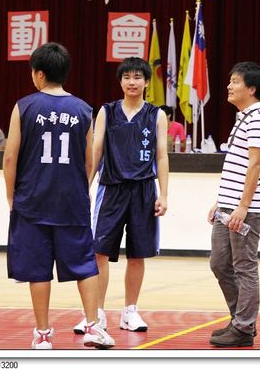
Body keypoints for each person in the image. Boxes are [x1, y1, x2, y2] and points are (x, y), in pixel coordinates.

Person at [3, 42, 115, 350]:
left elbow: (10, 157)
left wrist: (11, 196)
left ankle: (42, 334)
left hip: (32, 200)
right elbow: (90, 161)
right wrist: (81, 191)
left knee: (38, 269)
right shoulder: (83, 109)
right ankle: (92, 326)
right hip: (72, 200)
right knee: (85, 264)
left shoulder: (24, 106)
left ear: (39, 74)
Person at [73, 57, 169, 334]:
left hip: (143, 191)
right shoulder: (107, 111)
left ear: (147, 82)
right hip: (111, 189)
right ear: (120, 82)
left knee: (137, 255)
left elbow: (162, 156)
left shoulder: (157, 115)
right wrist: (85, 186)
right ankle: (96, 313)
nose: (132, 82)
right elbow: (96, 150)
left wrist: (164, 194)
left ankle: (130, 311)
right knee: (99, 253)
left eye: (137, 77)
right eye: (127, 77)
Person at [206, 61, 260, 347]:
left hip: (246, 209)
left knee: (244, 267)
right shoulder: (245, 117)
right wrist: (220, 201)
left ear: (252, 88)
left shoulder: (259, 118)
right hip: (229, 205)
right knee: (219, 263)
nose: (229, 86)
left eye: (235, 81)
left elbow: (255, 165)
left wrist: (243, 207)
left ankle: (244, 327)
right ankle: (241, 321)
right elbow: (237, 167)